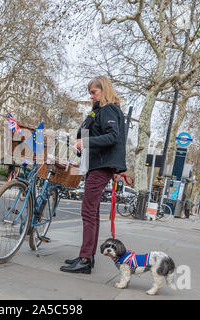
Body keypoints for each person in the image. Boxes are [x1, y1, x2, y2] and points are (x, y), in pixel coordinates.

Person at [60, 76, 127, 274]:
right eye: (90, 93)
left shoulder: (109, 109)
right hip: (96, 164)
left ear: (103, 91)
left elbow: (113, 136)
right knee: (93, 213)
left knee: (88, 212)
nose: (91, 97)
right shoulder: (98, 111)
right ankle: (87, 257)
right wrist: (80, 146)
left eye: (94, 93)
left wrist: (86, 142)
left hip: (101, 166)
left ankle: (85, 258)